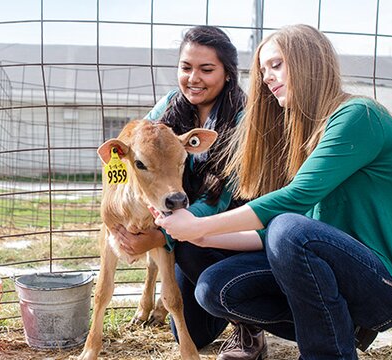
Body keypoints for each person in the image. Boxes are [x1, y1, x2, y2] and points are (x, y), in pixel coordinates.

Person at [153, 24, 392, 360]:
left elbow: (295, 200)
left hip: (387, 287)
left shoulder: (359, 116)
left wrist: (199, 225)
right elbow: (272, 233)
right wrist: (203, 239)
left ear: (308, 61)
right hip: (337, 273)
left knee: (289, 227)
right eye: (263, 70)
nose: (267, 77)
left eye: (277, 64)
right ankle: (341, 330)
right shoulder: (303, 134)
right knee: (215, 288)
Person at [114, 25, 250, 351]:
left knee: (188, 247)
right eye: (186, 68)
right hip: (180, 220)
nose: (194, 78)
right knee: (193, 335)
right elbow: (127, 157)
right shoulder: (168, 108)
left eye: (207, 69)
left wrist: (160, 236)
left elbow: (220, 201)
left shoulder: (244, 120)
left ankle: (249, 326)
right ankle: (216, 303)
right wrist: (119, 211)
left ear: (228, 74)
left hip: (231, 232)